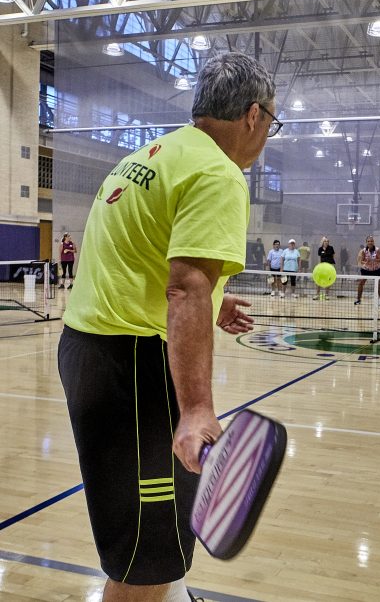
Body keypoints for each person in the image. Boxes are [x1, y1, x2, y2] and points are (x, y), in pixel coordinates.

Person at [58, 52, 279, 602]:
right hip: (132, 368)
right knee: (146, 557)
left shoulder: (157, 153)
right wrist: (198, 408)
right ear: (253, 116)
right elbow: (184, 287)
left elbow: (146, 260)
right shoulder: (217, 174)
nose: (268, 134)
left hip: (91, 350)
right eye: (273, 122)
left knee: (154, 541)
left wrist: (214, 303)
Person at [354, 235, 380, 306]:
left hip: (376, 270)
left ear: (373, 242)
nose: (370, 242)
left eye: (371, 241)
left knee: (379, 284)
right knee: (361, 283)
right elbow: (361, 261)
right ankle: (358, 299)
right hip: (366, 270)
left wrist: (373, 260)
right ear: (366, 242)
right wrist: (366, 262)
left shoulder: (377, 250)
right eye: (368, 241)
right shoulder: (363, 251)